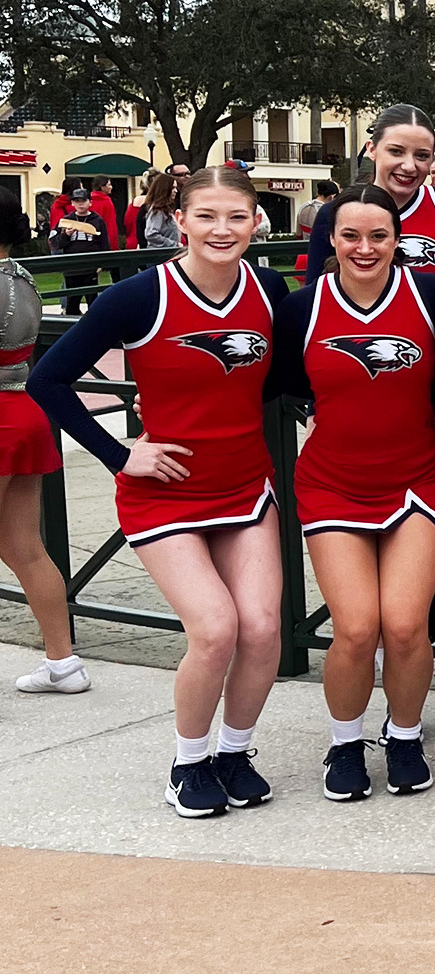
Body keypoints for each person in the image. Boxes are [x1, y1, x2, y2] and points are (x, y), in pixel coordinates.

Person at [30, 166, 289, 818]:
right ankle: (188, 763)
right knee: (215, 629)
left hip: (244, 486)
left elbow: (296, 375)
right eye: (206, 216)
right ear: (181, 221)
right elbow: (48, 381)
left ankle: (234, 753)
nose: (222, 229)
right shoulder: (139, 298)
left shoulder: (269, 288)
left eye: (236, 217)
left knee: (261, 630)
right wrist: (122, 454)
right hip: (164, 494)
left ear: (258, 222)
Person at [272, 184, 435, 800]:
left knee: (404, 626)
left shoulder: (431, 296)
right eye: (351, 235)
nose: (365, 247)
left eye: (379, 235)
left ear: (398, 239)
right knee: (354, 628)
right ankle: (345, 743)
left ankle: (404, 736)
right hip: (333, 483)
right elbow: (284, 383)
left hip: (416, 481)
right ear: (330, 239)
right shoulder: (302, 307)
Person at [0, 190, 84, 695]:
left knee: (23, 546)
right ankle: (63, 662)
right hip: (22, 408)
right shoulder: (25, 278)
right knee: (25, 546)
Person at [307, 106, 435, 284]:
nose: (409, 166)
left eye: (421, 155)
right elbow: (317, 296)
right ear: (372, 150)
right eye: (396, 151)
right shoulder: (335, 213)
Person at [48, 180, 114, 316]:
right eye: (76, 201)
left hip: (90, 267)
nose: (80, 204)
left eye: (83, 201)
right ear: (72, 203)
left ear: (90, 202)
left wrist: (102, 264)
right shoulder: (66, 220)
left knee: (93, 301)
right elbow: (55, 243)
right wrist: (65, 235)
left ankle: (94, 326)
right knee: (72, 302)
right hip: (72, 267)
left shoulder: (98, 220)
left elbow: (104, 243)